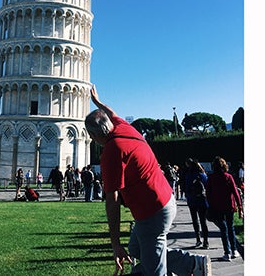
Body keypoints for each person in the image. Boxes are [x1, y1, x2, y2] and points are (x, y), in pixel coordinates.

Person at [85, 86, 211, 276]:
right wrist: (98, 102)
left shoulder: (112, 151)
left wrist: (115, 244)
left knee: (153, 270)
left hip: (153, 211)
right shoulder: (124, 128)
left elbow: (112, 201)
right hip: (164, 200)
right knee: (137, 250)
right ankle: (192, 264)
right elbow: (112, 113)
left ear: (92, 136)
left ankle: (191, 265)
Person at [206, 156, 243, 262]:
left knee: (223, 229)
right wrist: (240, 207)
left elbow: (208, 194)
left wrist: (211, 204)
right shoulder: (228, 177)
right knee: (230, 228)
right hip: (229, 206)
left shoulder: (211, 178)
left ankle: (226, 252)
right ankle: (234, 250)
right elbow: (235, 193)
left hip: (217, 207)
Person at [184, 158, 210, 249]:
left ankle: (198, 239)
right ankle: (206, 241)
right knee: (203, 221)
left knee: (195, 221)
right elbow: (207, 186)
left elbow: (186, 189)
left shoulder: (188, 176)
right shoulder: (202, 175)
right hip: (202, 200)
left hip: (192, 200)